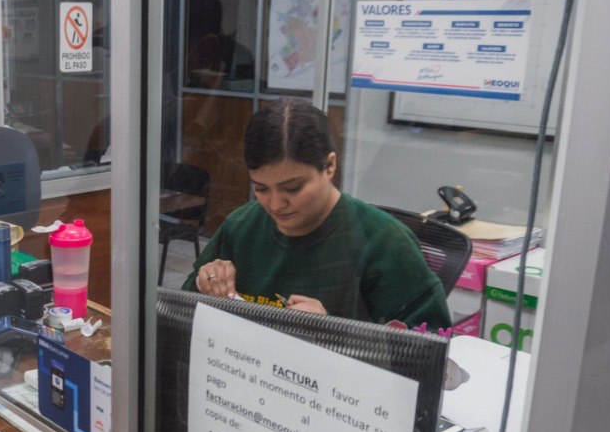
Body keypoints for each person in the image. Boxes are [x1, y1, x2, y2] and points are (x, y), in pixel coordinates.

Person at [184, 99, 451, 330]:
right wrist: (206, 282)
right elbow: (181, 311)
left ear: (330, 166)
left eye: (293, 188)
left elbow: (426, 349)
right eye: (261, 188)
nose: (276, 204)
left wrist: (333, 332)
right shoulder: (241, 226)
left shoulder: (384, 242)